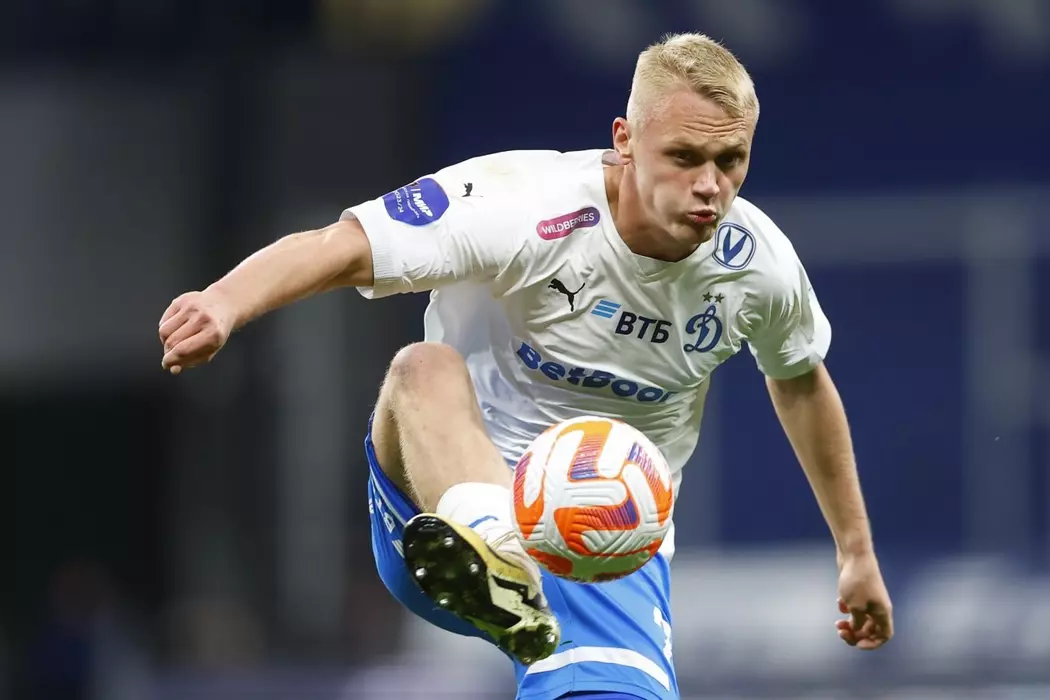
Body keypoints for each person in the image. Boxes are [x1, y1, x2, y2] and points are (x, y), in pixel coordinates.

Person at [158, 32, 893, 700]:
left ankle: (522, 585)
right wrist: (224, 302)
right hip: (441, 510)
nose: (710, 186)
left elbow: (800, 381)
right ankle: (495, 555)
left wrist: (855, 553)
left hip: (606, 541)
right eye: (684, 157)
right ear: (625, 140)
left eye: (730, 161)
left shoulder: (758, 266)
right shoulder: (521, 203)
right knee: (422, 369)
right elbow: (343, 247)